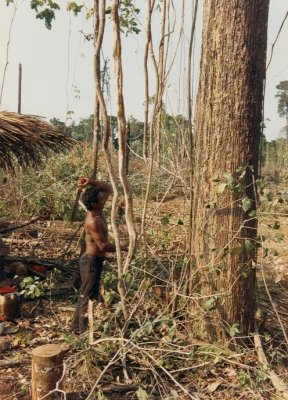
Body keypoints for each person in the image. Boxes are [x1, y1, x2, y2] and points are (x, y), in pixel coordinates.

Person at [72, 177, 126, 334]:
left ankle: (79, 327)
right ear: (94, 203)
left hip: (95, 260)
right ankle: (81, 331)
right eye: (101, 199)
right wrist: (123, 247)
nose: (105, 199)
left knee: (89, 294)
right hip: (90, 262)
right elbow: (102, 245)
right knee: (86, 295)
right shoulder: (93, 221)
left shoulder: (99, 209)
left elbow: (108, 188)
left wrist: (90, 182)